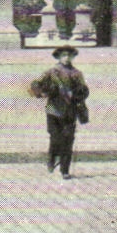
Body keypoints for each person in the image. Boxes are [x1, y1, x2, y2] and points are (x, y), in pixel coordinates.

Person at [29, 46, 90, 179]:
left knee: (68, 140)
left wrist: (77, 94)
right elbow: (35, 85)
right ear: (58, 57)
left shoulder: (77, 73)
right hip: (53, 111)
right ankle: (52, 159)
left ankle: (65, 170)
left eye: (69, 55)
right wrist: (43, 93)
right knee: (55, 138)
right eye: (63, 55)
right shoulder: (51, 72)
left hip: (70, 111)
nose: (66, 58)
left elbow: (84, 91)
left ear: (73, 57)